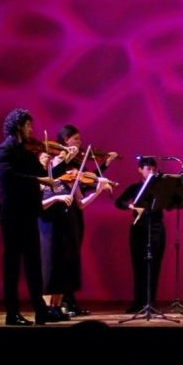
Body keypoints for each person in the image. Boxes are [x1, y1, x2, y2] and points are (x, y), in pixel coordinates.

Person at [0, 108, 75, 325]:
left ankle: (40, 310)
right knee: (12, 266)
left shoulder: (27, 152)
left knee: (33, 264)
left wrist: (59, 162)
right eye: (28, 125)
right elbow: (9, 178)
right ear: (19, 126)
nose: (31, 129)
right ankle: (12, 314)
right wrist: (39, 178)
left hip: (29, 213)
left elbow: (44, 177)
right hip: (11, 214)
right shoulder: (4, 151)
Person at [54, 124, 119, 316]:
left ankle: (71, 301)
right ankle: (62, 302)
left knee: (73, 258)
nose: (79, 143)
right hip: (63, 213)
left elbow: (89, 181)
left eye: (79, 140)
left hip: (75, 213)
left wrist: (105, 164)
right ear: (65, 140)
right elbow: (56, 178)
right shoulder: (60, 161)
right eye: (76, 139)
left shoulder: (75, 164)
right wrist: (65, 158)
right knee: (65, 257)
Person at [115, 157, 167, 313]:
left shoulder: (160, 188)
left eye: (153, 169)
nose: (151, 172)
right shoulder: (135, 187)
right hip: (139, 228)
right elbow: (119, 202)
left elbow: (169, 205)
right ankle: (138, 302)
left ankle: (150, 303)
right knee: (139, 266)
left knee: (154, 266)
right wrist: (130, 206)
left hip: (156, 228)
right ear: (140, 170)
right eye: (147, 169)